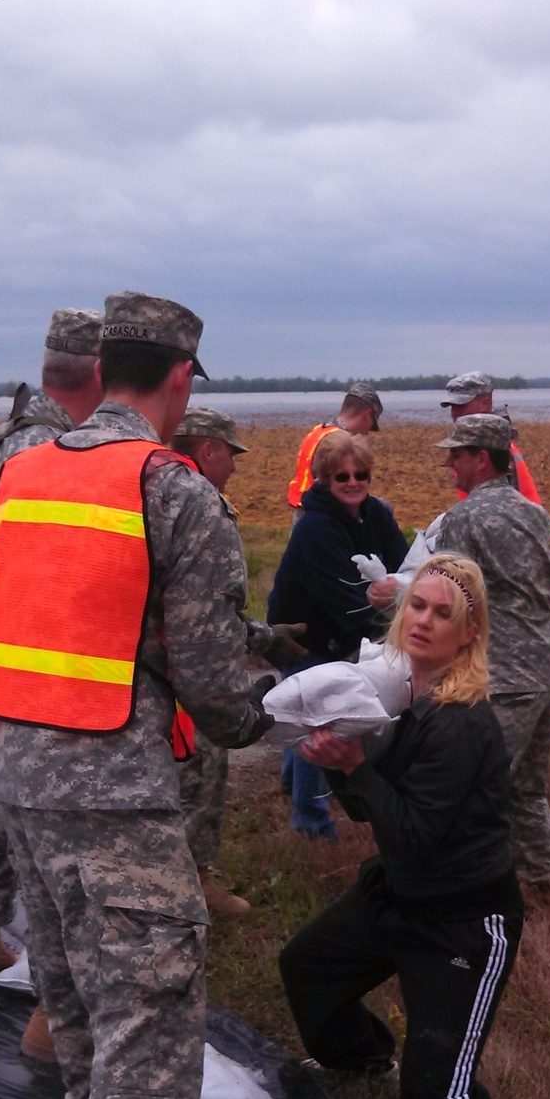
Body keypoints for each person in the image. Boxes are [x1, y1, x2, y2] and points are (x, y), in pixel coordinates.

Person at [0, 291, 271, 1099]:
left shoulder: (21, 468)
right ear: (181, 378)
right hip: (115, 782)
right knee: (151, 994)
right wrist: (280, 712)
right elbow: (212, 682)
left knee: (75, 977)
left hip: (17, 774)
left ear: (102, 369)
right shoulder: (172, 491)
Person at [279, 554, 542, 1099]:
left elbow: (418, 832)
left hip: (462, 921)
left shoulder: (460, 721)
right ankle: (363, 1059)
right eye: (417, 607)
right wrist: (344, 763)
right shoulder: (401, 699)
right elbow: (377, 815)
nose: (424, 621)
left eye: (443, 613)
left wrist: (355, 768)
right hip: (398, 890)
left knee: (437, 1094)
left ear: (469, 632)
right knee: (308, 967)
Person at [0, 307, 104, 1064]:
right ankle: (45, 1002)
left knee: (3, 806)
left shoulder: (6, 437)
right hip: (15, 664)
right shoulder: (46, 449)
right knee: (37, 820)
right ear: (98, 375)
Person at [433, 414, 550, 890]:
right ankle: (547, 881)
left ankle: (471, 892)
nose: (449, 464)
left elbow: (450, 596)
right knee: (525, 790)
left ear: (481, 459)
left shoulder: (463, 519)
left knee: (478, 787)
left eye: (456, 455)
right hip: (546, 669)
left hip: (505, 676)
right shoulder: (536, 514)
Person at [169, 407, 307, 918]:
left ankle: (187, 883)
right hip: (189, 676)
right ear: (209, 449)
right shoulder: (196, 503)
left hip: (160, 671)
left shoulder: (154, 491)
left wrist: (262, 636)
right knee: (199, 774)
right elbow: (203, 614)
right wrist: (229, 703)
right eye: (231, 454)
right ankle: (191, 888)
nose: (234, 465)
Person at [269, 429, 407, 839]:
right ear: (324, 480)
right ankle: (312, 825)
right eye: (341, 477)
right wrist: (395, 604)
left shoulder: (375, 514)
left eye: (360, 474)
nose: (353, 483)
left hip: (340, 634)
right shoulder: (314, 529)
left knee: (309, 718)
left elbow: (406, 563)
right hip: (301, 636)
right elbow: (351, 605)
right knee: (319, 722)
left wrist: (400, 590)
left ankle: (293, 786)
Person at [441, 370, 541, 504]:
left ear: (485, 404)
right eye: (452, 407)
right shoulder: (477, 444)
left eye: (461, 406)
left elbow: (508, 510)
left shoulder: (496, 448)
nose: (454, 413)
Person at [286, 382, 383, 510]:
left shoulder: (318, 432)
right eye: (371, 424)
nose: (368, 431)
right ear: (366, 415)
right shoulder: (340, 444)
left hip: (303, 509)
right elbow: (341, 491)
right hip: (322, 514)